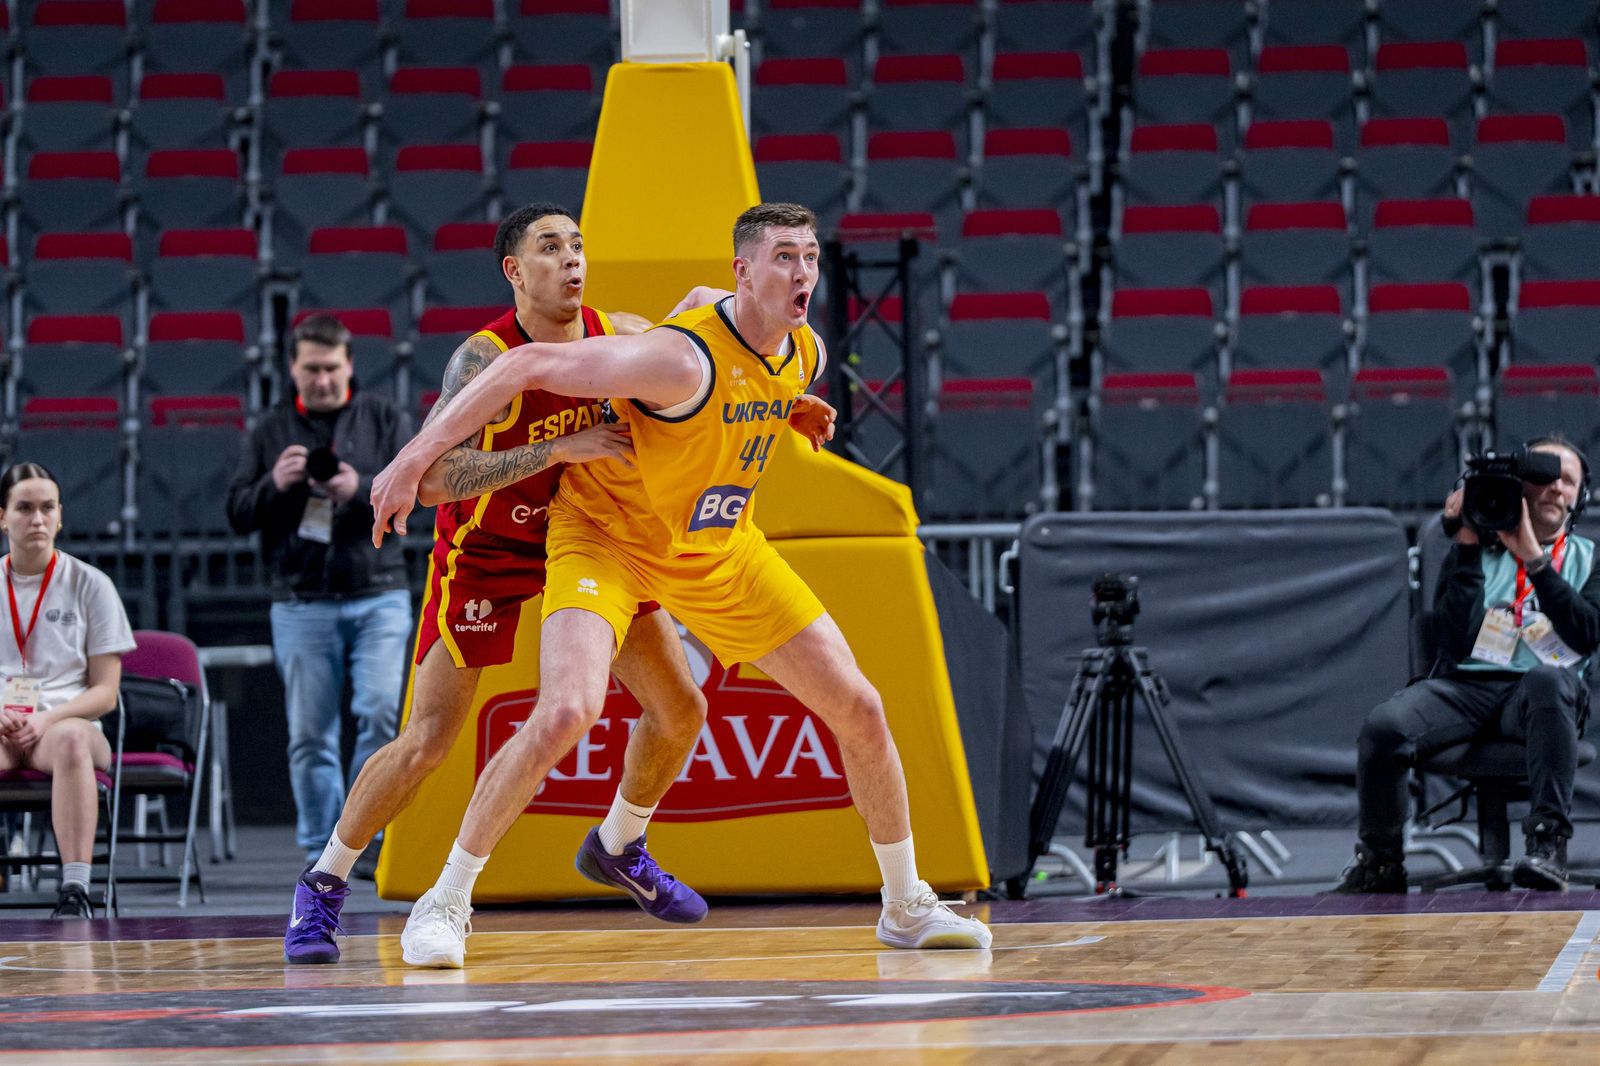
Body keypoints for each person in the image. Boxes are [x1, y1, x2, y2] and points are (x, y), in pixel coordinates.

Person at [372, 202, 993, 967]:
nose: (802, 274)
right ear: (745, 270)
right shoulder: (676, 359)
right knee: (568, 708)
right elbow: (522, 365)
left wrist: (785, 408)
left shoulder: (805, 353)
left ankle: (904, 906)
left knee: (859, 707)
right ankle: (446, 899)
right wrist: (410, 460)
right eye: (783, 259)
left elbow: (724, 329)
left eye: (810, 258)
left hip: (715, 549)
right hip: (603, 538)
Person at [280, 203, 720, 965]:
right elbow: (436, 477)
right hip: (489, 549)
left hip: (590, 547)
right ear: (515, 271)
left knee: (681, 707)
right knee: (425, 743)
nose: (573, 259)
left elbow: (710, 369)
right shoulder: (483, 359)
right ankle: (323, 884)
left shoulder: (619, 334)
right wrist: (560, 449)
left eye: (579, 244)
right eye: (551, 248)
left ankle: (622, 843)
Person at [1334, 434, 1600, 894]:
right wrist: (1467, 546)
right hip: (1467, 688)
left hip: (1543, 699)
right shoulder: (1477, 549)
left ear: (1581, 497)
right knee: (1385, 726)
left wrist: (1535, 560)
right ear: (1521, 489)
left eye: (1569, 482)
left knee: (1546, 679)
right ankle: (1380, 862)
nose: (1557, 488)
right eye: (1546, 479)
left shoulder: (1589, 557)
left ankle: (1546, 846)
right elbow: (1453, 642)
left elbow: (1587, 633)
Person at [227, 313, 415, 880]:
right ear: (293, 369)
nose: (323, 379)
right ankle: (320, 848)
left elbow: (423, 494)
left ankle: (362, 834)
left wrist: (361, 488)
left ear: (349, 365)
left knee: (381, 715)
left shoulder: (383, 416)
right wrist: (273, 484)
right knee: (311, 734)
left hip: (378, 592)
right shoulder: (269, 428)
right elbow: (236, 513)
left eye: (331, 368)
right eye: (311, 369)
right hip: (300, 600)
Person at [0, 463, 136, 918]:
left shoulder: (90, 584)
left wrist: (44, 718)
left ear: (60, 516)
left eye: (46, 508)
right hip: (3, 726)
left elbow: (105, 693)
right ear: (3, 517)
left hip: (64, 724)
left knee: (74, 739)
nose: (36, 519)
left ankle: (75, 888)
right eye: (24, 508)